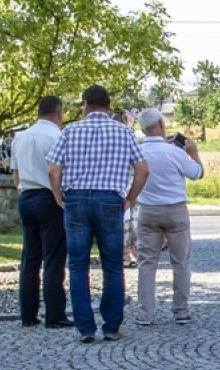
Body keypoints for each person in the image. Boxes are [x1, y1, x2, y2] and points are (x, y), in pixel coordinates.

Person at [46, 84, 147, 343]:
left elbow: (53, 170)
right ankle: (111, 326)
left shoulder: (70, 131)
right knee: (112, 265)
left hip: (76, 199)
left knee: (78, 265)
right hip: (110, 199)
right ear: (108, 105)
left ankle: (85, 328)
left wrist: (58, 196)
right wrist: (130, 198)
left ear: (85, 105)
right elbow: (142, 169)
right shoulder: (124, 132)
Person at [133, 108, 204, 326]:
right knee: (180, 261)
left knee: (147, 262)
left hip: (148, 210)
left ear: (143, 129)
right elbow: (197, 173)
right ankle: (181, 310)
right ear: (161, 124)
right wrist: (194, 153)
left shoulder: (138, 151)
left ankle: (145, 313)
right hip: (175, 210)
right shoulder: (174, 152)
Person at [10, 96, 70, 329]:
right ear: (59, 113)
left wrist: (22, 191)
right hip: (49, 196)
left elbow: (15, 174)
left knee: (30, 257)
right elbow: (59, 171)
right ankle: (55, 314)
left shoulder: (20, 137)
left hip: (26, 196)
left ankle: (28, 313)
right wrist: (59, 197)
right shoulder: (57, 136)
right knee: (53, 258)